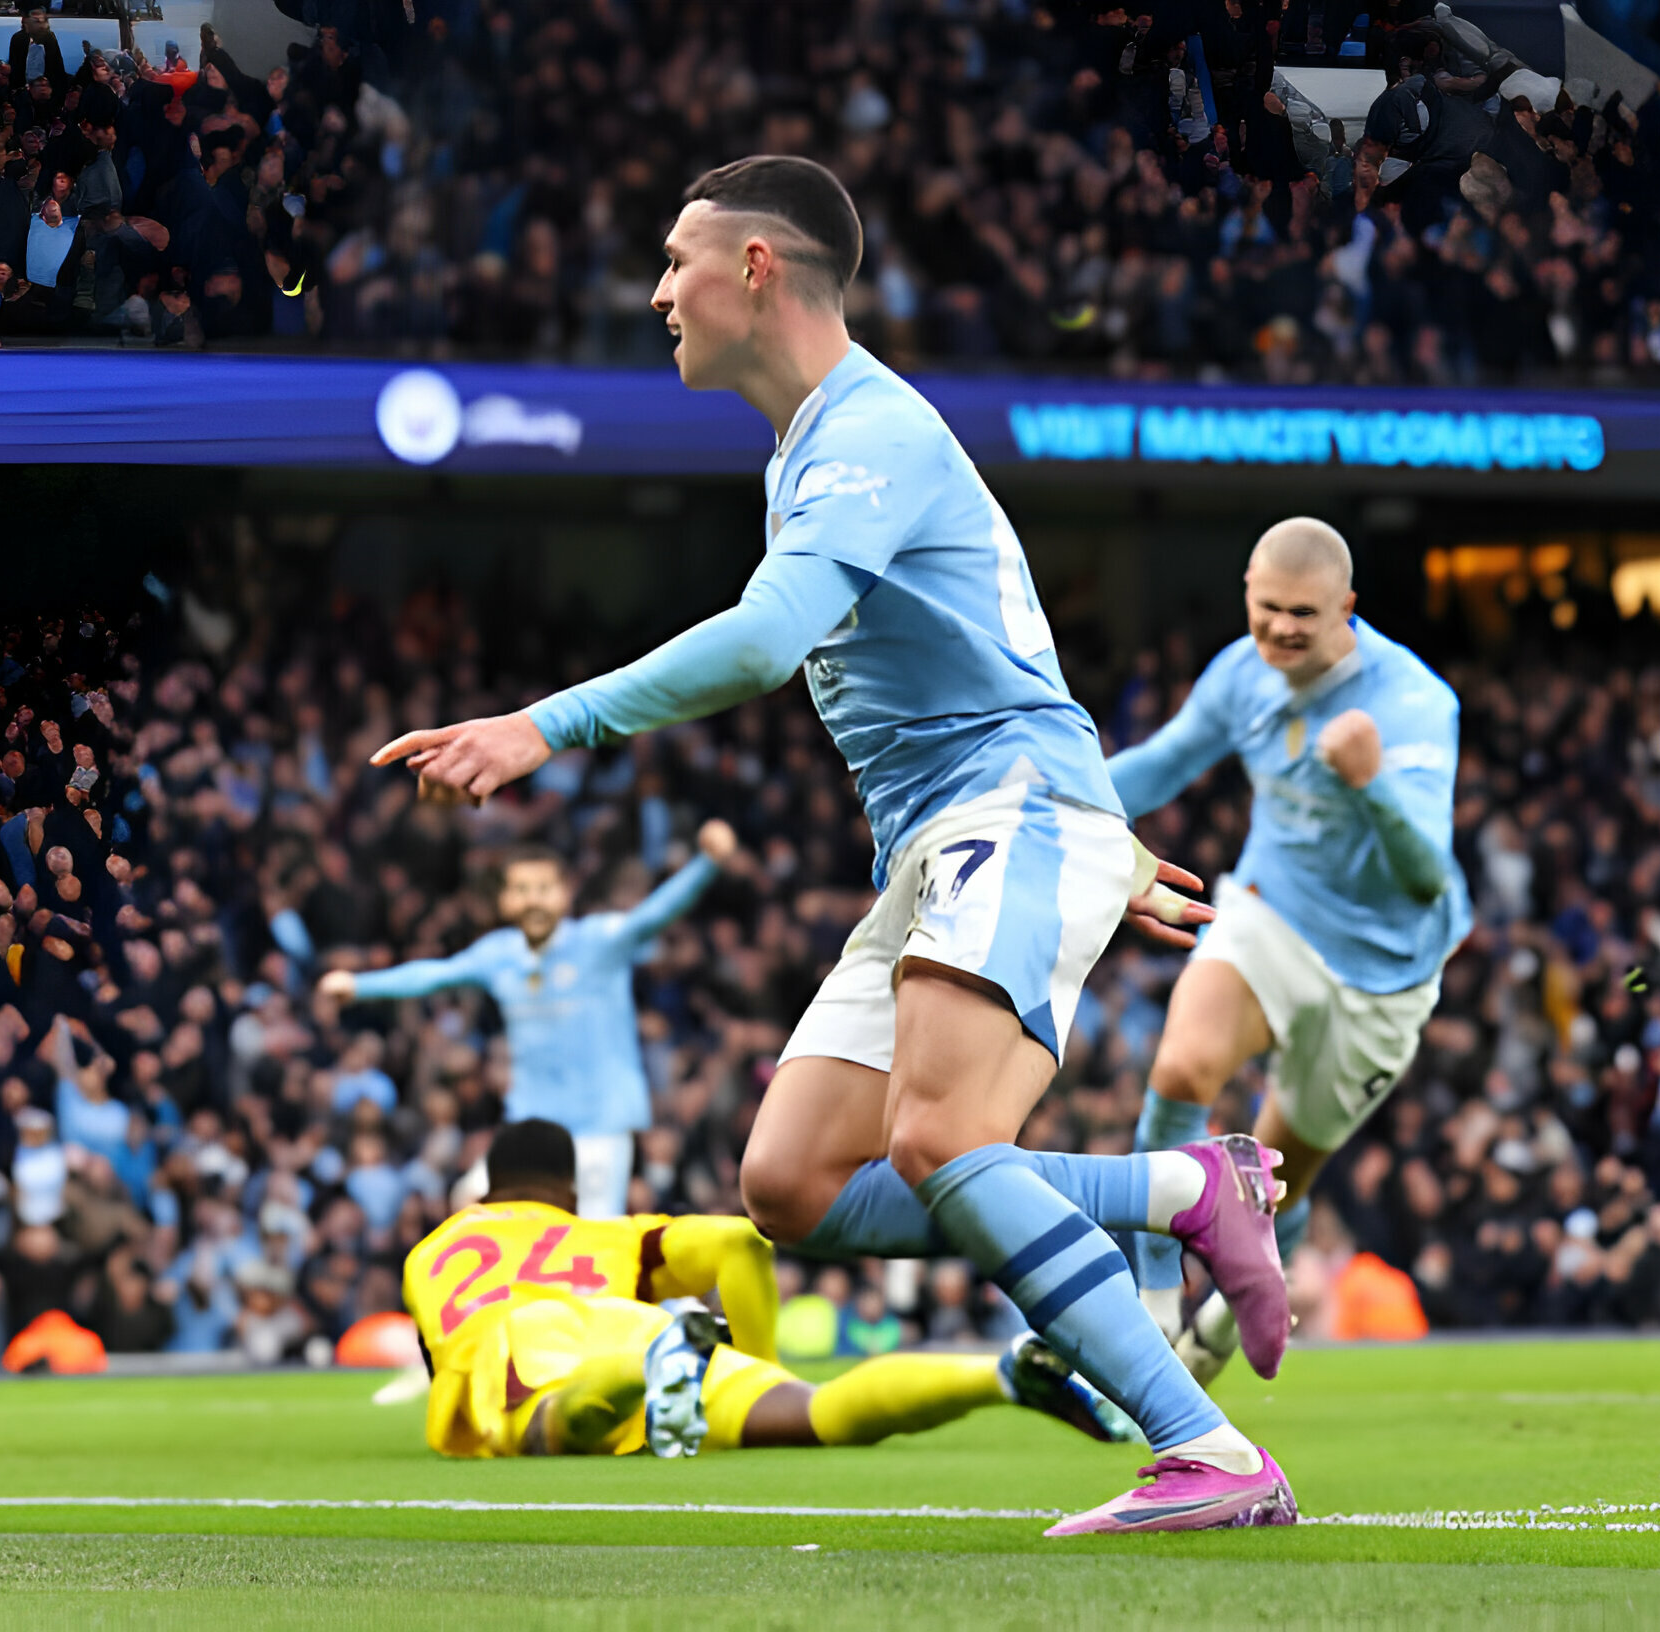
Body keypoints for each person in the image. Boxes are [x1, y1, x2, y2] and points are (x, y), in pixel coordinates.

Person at [371, 154, 1297, 1535]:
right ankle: (1184, 1186)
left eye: (678, 259)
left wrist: (540, 729)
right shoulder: (806, 450)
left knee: (938, 1135)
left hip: (1006, 808)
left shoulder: (873, 429)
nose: (655, 290)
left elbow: (763, 641)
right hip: (959, 835)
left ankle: (1207, 1450)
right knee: (791, 1184)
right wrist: (1088, 852)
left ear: (758, 268)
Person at [1105, 517, 1468, 1381]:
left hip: (1383, 974)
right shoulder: (1242, 672)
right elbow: (1161, 766)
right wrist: (1043, 799)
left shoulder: (1413, 705)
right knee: (1183, 1070)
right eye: (1266, 610)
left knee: (1270, 1187)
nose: (1280, 631)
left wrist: (1371, 784)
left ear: (1347, 606)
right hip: (1272, 915)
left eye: (1303, 614)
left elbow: (1424, 880)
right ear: (1247, 595)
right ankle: (1153, 1300)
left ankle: (1223, 1327)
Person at [401, 1119, 1135, 1458]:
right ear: (568, 1188)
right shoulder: (608, 1235)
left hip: (528, 1341)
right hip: (637, 1321)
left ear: (488, 1186)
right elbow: (737, 1239)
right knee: (817, 1414)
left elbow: (445, 1364)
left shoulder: (437, 1250)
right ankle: (998, 1376)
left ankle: (648, 1373)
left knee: (545, 1428)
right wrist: (760, 1363)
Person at [318, 821, 737, 1219]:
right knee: (469, 1200)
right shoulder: (499, 954)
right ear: (505, 900)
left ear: (564, 893)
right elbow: (434, 974)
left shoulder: (597, 942)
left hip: (599, 1125)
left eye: (543, 888)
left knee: (588, 1246)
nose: (534, 899)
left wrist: (706, 864)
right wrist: (360, 986)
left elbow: (654, 915)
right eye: (522, 889)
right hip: (531, 1125)